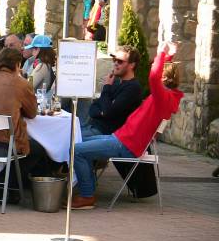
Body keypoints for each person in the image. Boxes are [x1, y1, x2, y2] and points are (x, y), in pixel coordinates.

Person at [71, 42, 182, 209]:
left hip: (126, 143)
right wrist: (168, 57)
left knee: (76, 151)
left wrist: (161, 52)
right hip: (122, 138)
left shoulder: (162, 97)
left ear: (163, 78)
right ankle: (87, 190)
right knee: (77, 142)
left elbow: (153, 77)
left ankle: (87, 195)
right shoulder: (168, 97)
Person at [0, 48, 50, 198]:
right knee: (40, 149)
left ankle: (10, 188)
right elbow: (32, 113)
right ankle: (4, 183)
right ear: (16, 64)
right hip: (4, 144)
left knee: (27, 147)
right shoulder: (21, 83)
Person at [81, 45, 144, 139]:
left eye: (120, 61)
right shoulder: (115, 82)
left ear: (132, 65)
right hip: (93, 126)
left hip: (106, 134)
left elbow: (108, 112)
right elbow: (93, 108)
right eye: (114, 60)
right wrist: (102, 111)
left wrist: (106, 87)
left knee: (69, 142)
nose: (115, 63)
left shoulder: (132, 88)